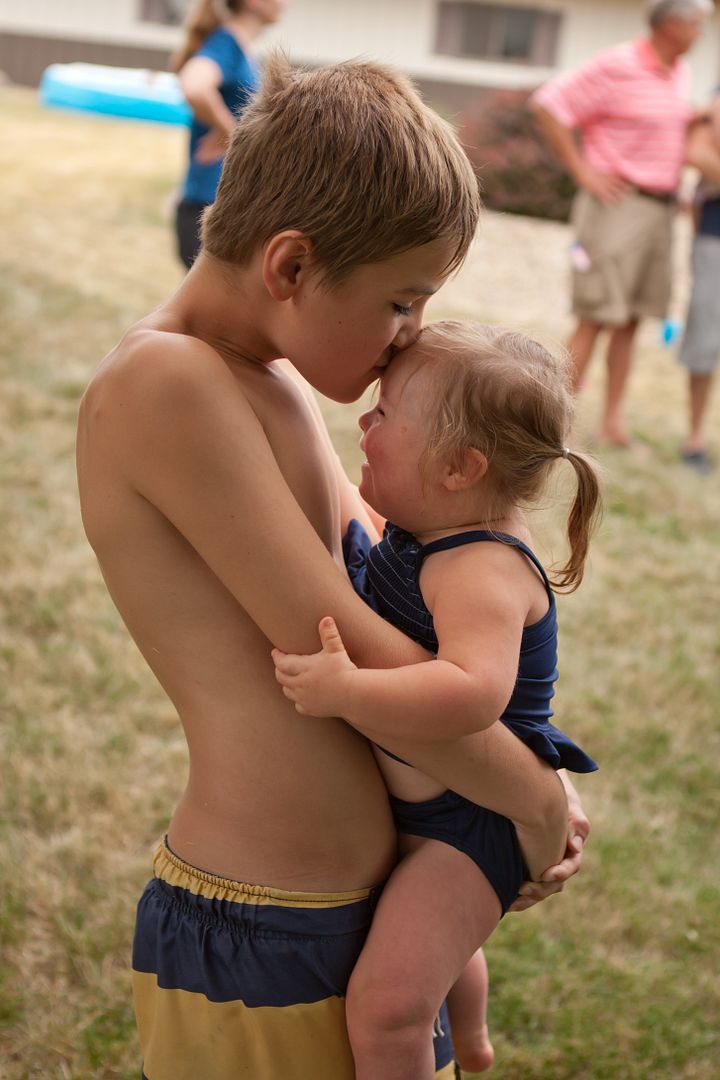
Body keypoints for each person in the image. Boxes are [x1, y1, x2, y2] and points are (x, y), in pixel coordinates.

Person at [77, 55, 589, 1080]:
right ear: (292, 266)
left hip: (357, 914)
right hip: (267, 922)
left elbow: (397, 579)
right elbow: (341, 644)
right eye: (402, 302)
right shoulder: (166, 382)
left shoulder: (267, 375)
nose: (408, 341)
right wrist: (530, 799)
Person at [273, 321, 602, 1079]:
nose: (363, 420)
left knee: (388, 1009)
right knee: (435, 935)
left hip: (470, 821)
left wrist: (350, 690)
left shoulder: (480, 569)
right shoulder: (434, 527)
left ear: (459, 467)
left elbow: (472, 696)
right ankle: (473, 1036)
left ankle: (448, 1040)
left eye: (385, 414)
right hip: (439, 806)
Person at [531, 0, 711, 447]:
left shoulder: (678, 72)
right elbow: (548, 104)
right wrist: (582, 170)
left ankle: (610, 423)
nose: (702, 33)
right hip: (616, 207)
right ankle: (556, 425)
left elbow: (653, 126)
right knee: (595, 314)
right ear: (671, 24)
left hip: (660, 209)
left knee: (631, 320)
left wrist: (693, 118)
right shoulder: (619, 64)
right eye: (698, 24)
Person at [170, 0, 286, 269]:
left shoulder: (242, 48)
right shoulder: (226, 43)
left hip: (225, 207)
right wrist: (233, 137)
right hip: (207, 210)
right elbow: (195, 86)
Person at [677, 95, 720, 473]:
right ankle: (694, 439)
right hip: (714, 237)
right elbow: (698, 153)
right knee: (706, 340)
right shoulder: (715, 101)